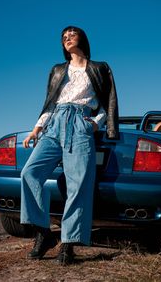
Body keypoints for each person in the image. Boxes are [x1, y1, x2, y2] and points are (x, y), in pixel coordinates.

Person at [20, 26, 119, 265]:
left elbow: (108, 102)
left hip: (80, 123)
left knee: (78, 185)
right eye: (63, 37)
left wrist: (94, 125)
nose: (67, 38)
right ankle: (43, 234)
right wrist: (37, 128)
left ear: (82, 39)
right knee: (29, 173)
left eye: (71, 35)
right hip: (54, 124)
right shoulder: (57, 70)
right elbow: (50, 102)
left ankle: (68, 244)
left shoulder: (99, 67)